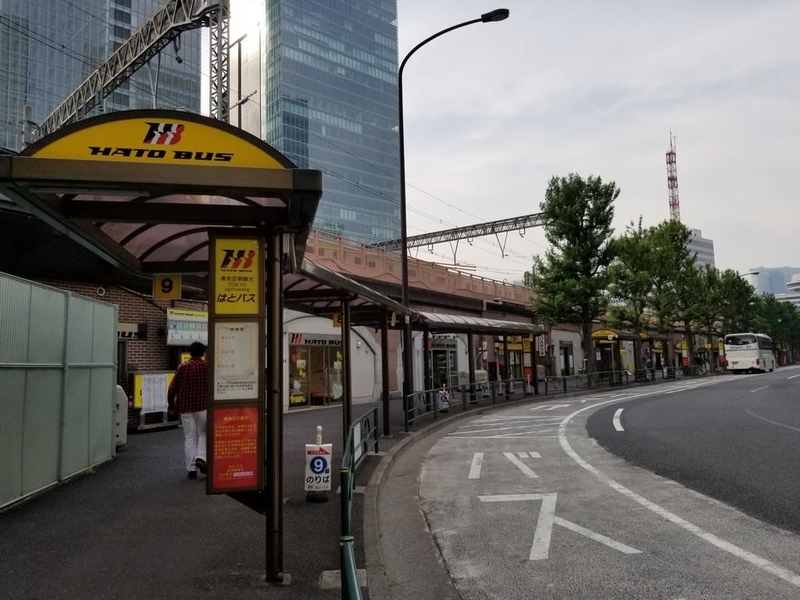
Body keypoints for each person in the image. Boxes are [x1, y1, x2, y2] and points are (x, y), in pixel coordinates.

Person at [168, 341, 208, 480]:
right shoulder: (206, 366)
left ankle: (191, 469)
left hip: (185, 407)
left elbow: (172, 388)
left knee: (189, 437)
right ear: (203, 353)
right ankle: (201, 457)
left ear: (190, 352)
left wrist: (171, 404)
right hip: (203, 406)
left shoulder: (182, 367)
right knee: (203, 433)